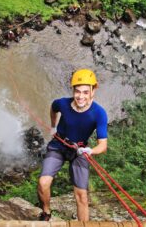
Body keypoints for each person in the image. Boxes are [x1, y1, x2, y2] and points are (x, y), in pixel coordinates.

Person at [37, 69, 108, 221]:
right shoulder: (62, 103)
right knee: (43, 182)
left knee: (82, 196)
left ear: (93, 90)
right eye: (77, 92)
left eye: (85, 92)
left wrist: (90, 151)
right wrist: (53, 125)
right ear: (73, 91)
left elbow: (102, 145)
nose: (80, 97)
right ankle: (46, 212)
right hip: (59, 145)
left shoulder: (99, 113)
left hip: (80, 151)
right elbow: (53, 108)